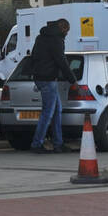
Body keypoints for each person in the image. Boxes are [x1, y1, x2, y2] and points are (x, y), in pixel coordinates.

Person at [29, 18, 73, 153]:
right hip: (48, 79)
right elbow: (62, 61)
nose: (67, 33)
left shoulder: (40, 37)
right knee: (48, 113)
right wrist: (73, 80)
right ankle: (37, 144)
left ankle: (58, 143)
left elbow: (33, 56)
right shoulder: (56, 40)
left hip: (39, 78)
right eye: (67, 30)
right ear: (62, 27)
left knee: (56, 111)